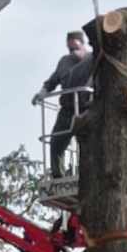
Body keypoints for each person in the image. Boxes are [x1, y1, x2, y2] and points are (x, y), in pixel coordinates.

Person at [33, 30, 93, 178]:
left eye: (75, 48)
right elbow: (53, 80)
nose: (72, 52)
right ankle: (58, 177)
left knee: (87, 144)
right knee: (56, 142)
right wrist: (42, 92)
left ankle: (87, 176)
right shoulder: (64, 61)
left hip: (87, 109)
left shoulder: (92, 59)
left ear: (82, 44)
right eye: (69, 49)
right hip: (67, 109)